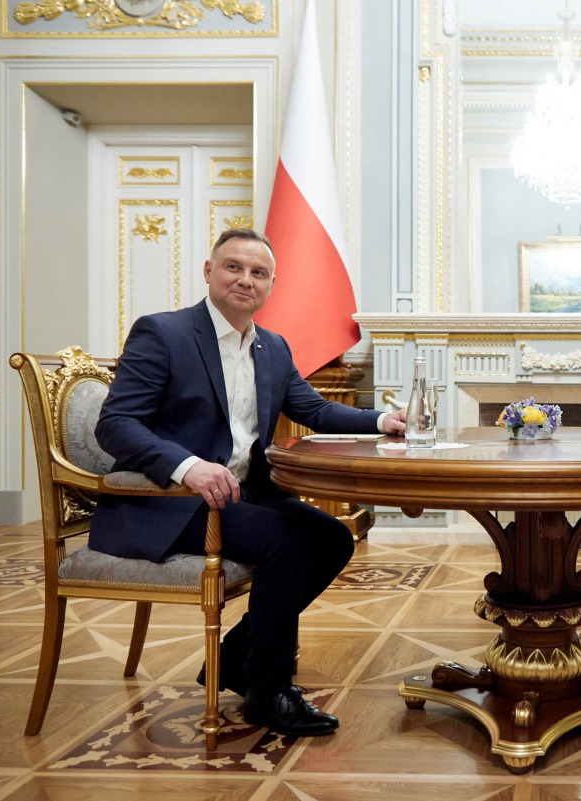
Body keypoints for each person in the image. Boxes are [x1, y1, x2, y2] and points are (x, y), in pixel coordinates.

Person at [91, 228, 406, 737]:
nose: (245, 279)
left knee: (331, 536)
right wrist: (187, 465)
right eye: (234, 267)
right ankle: (268, 692)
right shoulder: (164, 333)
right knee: (288, 542)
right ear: (208, 271)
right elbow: (116, 424)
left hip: (243, 495)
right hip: (173, 504)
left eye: (259, 273)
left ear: (271, 285)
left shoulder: (273, 347)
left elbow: (315, 410)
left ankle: (237, 658)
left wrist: (381, 421)